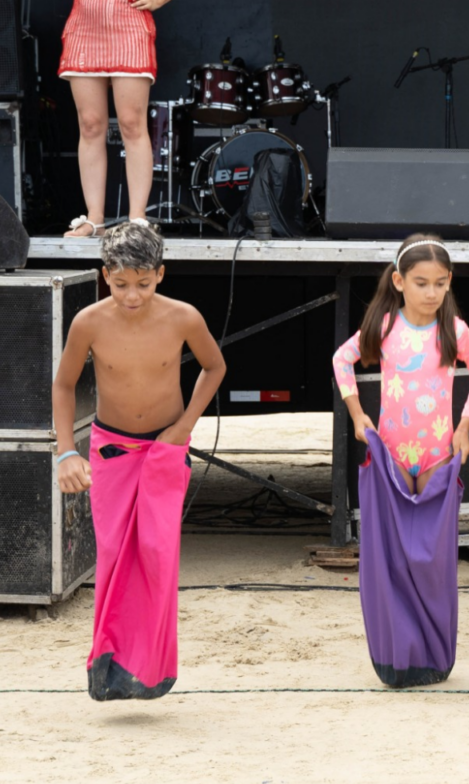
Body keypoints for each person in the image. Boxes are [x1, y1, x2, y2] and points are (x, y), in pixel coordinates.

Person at [52, 222, 226, 700]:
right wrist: (66, 450)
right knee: (112, 557)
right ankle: (109, 667)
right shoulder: (88, 321)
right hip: (111, 449)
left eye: (144, 283)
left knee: (156, 555)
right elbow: (64, 385)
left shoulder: (183, 317)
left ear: (161, 274)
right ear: (105, 274)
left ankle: (152, 671)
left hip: (165, 450)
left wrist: (186, 424)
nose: (132, 294)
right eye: (121, 283)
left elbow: (215, 367)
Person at [333, 234, 469, 686]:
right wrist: (359, 415)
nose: (431, 292)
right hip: (394, 455)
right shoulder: (384, 326)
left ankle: (434, 657)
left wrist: (465, 425)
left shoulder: (454, 329)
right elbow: (341, 361)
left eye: (440, 283)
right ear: (399, 281)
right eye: (421, 283)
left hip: (440, 455)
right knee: (394, 558)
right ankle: (399, 656)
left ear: (449, 283)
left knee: (433, 562)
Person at [58, 0, 174, 238]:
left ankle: (137, 219)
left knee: (132, 124)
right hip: (84, 27)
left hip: (129, 24)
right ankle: (95, 221)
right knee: (90, 125)